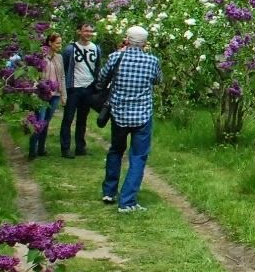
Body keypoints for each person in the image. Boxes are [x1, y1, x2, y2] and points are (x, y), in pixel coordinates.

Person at [98, 25, 161, 213]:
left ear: (127, 39)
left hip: (119, 113)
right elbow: (158, 80)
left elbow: (102, 78)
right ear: (145, 43)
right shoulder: (152, 61)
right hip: (142, 114)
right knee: (138, 156)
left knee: (116, 150)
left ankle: (109, 191)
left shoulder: (116, 57)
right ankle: (127, 200)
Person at [59, 22, 102, 158]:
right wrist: (64, 88)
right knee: (68, 118)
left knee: (83, 119)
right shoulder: (69, 49)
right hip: (74, 88)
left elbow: (98, 67)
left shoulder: (96, 48)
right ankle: (65, 148)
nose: (88, 33)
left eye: (91, 31)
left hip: (88, 87)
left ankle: (80, 146)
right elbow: (64, 69)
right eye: (86, 30)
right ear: (79, 32)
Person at [28, 33, 66, 160]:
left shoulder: (59, 57)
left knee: (46, 122)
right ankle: (32, 150)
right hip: (41, 94)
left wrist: (63, 95)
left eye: (60, 43)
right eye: (57, 43)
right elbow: (33, 76)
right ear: (50, 42)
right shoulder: (41, 57)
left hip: (55, 95)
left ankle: (41, 149)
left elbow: (62, 77)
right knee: (39, 121)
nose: (59, 45)